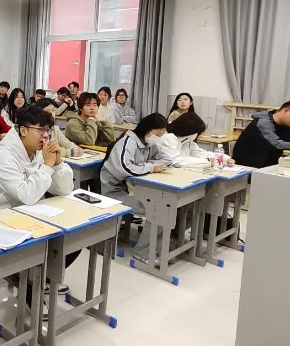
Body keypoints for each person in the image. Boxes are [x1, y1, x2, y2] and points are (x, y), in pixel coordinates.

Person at [0, 105, 75, 317]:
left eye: (47, 130)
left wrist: (57, 164)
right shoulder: (4, 156)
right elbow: (27, 195)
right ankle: (30, 286)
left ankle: (41, 279)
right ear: (23, 130)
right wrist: (47, 166)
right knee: (36, 248)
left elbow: (64, 189)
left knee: (72, 239)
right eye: (41, 130)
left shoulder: (37, 153)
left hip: (24, 215)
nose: (45, 136)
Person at [100, 113, 174, 263]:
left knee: (166, 207)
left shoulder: (149, 143)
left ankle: (157, 251)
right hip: (114, 191)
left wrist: (147, 166)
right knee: (158, 210)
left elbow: (167, 160)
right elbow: (126, 168)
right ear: (148, 130)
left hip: (134, 188)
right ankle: (143, 253)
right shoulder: (128, 142)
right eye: (158, 135)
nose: (158, 138)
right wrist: (150, 167)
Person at [232, 100, 290, 168]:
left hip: (267, 163)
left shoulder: (283, 124)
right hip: (248, 165)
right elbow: (278, 144)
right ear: (286, 111)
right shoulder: (263, 123)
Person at [159, 111, 233, 168]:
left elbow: (199, 153)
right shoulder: (169, 138)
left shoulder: (186, 140)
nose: (198, 135)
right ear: (190, 131)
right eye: (198, 133)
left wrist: (225, 158)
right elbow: (176, 161)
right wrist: (208, 161)